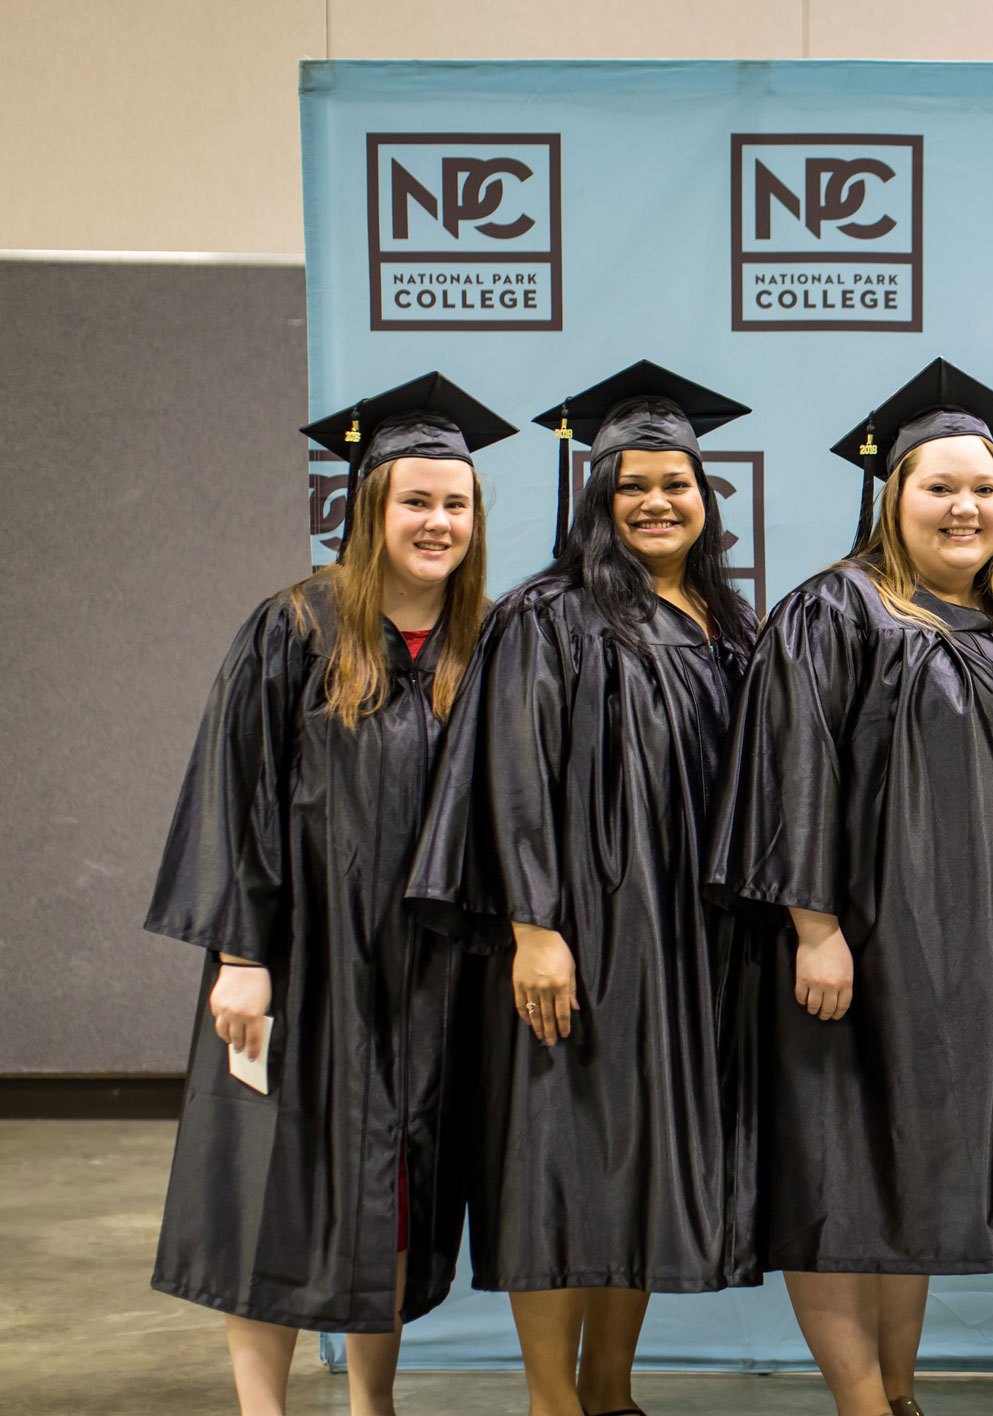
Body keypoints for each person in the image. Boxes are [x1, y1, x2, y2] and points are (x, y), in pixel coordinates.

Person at [148, 373, 512, 1416]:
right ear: (369, 510)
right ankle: (263, 1409)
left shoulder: (484, 645)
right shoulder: (294, 629)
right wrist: (239, 955)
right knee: (272, 1190)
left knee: (391, 1201)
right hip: (304, 967)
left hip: (427, 981)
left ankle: (372, 1403)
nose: (438, 522)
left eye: (456, 504)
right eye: (416, 502)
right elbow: (234, 792)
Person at [705, 359, 993, 1416]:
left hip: (967, 956)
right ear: (892, 497)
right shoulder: (834, 610)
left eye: (985, 489)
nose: (966, 508)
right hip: (854, 946)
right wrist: (815, 925)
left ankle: (899, 1394)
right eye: (940, 487)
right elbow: (791, 768)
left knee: (910, 1175)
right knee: (836, 1178)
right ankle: (862, 1403)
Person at [407, 362, 761, 1416]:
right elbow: (511, 778)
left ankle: (613, 1389)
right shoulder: (548, 617)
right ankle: (552, 1400)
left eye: (678, 483)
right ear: (597, 501)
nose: (657, 502)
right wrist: (534, 929)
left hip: (687, 944)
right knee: (556, 1166)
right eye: (631, 485)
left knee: (642, 1164)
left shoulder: (728, 625)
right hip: (581, 935)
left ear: (706, 497)